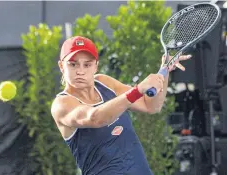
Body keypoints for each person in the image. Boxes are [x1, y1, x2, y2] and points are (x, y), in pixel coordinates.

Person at [51, 36, 191, 175]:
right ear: (61, 66)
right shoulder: (62, 104)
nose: (80, 71)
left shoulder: (105, 83)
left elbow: (151, 106)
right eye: (73, 64)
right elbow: (95, 117)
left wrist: (164, 71)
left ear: (96, 66)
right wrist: (137, 90)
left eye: (87, 64)